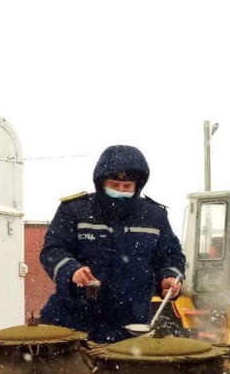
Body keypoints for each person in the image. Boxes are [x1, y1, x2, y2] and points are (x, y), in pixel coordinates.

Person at [39, 145, 185, 342]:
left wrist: (169, 277)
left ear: (138, 186)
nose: (120, 191)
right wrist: (71, 270)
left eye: (127, 187)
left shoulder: (154, 216)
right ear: (101, 183)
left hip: (130, 325)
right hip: (74, 320)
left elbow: (171, 255)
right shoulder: (74, 210)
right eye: (114, 185)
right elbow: (53, 250)